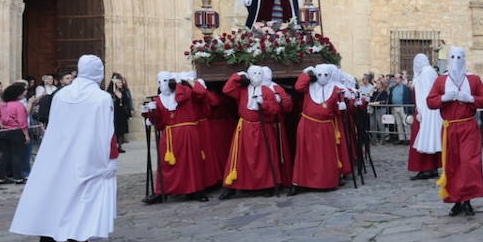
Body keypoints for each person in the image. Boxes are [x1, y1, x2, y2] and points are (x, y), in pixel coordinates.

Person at [10, 54, 117, 242]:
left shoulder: (62, 94)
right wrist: (111, 157)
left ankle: (47, 236)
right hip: (87, 154)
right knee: (82, 198)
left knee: (55, 192)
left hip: (58, 152)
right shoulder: (102, 98)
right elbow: (107, 130)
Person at [425, 46, 483, 216]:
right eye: (453, 56)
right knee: (452, 164)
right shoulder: (441, 81)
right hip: (450, 128)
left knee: (469, 163)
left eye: (459, 56)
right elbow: (430, 102)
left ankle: (467, 199)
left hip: (468, 126)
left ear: (465, 58)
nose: (456, 60)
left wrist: (470, 98)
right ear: (448, 59)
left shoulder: (474, 80)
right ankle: (455, 199)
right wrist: (443, 98)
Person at [142, 72, 214, 203]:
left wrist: (182, 83)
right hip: (169, 135)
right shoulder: (158, 100)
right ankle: (162, 191)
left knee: (192, 162)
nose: (163, 84)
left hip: (188, 133)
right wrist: (151, 114)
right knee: (167, 164)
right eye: (160, 82)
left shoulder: (185, 92)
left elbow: (202, 93)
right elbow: (159, 122)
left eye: (166, 81)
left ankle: (196, 190)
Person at [217, 66, 287, 199]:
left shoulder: (267, 91)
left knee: (264, 159)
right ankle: (231, 186)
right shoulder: (242, 90)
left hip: (263, 128)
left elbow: (275, 109)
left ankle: (268, 185)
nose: (257, 75)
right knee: (239, 158)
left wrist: (264, 103)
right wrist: (238, 76)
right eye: (254, 73)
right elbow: (227, 90)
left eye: (259, 73)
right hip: (245, 127)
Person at [290, 63, 345, 194]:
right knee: (305, 154)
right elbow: (298, 87)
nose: (322, 77)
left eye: (326, 75)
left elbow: (338, 111)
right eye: (319, 74)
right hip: (307, 125)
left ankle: (326, 182)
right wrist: (308, 74)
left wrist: (342, 105)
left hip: (325, 127)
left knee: (325, 156)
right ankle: (301, 182)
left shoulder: (336, 89)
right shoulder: (308, 87)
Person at [408, 53, 443, 180]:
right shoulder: (429, 72)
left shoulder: (425, 73)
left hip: (424, 112)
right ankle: (432, 168)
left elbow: (424, 95)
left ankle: (426, 168)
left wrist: (421, 112)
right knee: (430, 139)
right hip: (429, 111)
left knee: (424, 140)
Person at [0, 80, 32, 184]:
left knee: (4, 155)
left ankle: (2, 177)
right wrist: (26, 135)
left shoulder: (4, 105)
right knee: (17, 155)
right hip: (16, 131)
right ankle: (17, 177)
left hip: (5, 131)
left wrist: (1, 124)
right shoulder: (19, 105)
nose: (24, 93)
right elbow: (22, 122)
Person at [109, 73, 132, 149]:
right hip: (115, 114)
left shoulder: (123, 91)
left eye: (121, 82)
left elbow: (126, 101)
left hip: (121, 114)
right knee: (116, 130)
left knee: (121, 131)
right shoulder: (112, 92)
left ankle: (120, 146)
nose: (121, 84)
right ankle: (115, 146)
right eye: (119, 82)